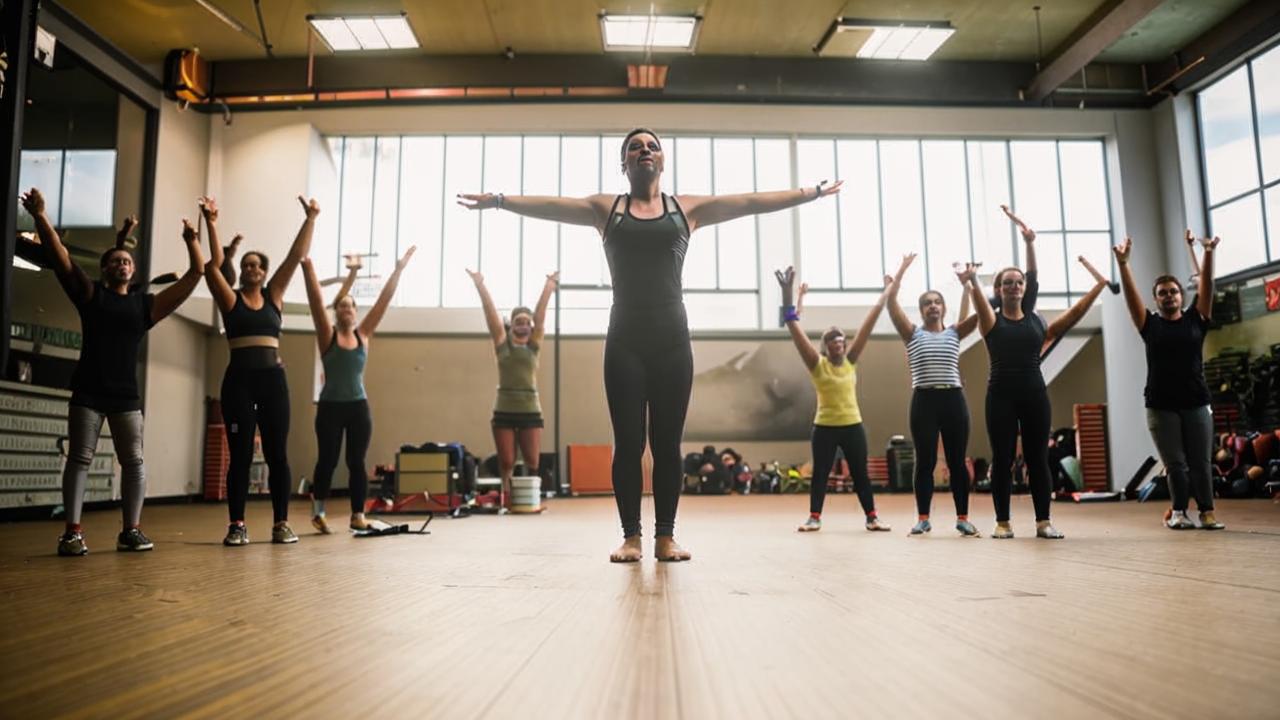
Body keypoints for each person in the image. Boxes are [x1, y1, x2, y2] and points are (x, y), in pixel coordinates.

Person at [459, 128, 842, 562]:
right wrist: (500, 200)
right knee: (628, 443)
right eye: (635, 147)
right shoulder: (608, 208)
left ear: (663, 160)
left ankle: (665, 536)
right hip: (624, 341)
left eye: (653, 146)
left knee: (666, 445)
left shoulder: (687, 209)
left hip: (672, 342)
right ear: (624, 164)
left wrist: (809, 193)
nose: (645, 150)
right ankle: (630, 537)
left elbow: (749, 202)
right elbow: (552, 205)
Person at [20, 188, 204, 556]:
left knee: (133, 462)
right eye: (116, 260)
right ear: (105, 269)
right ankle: (72, 533)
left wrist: (192, 239)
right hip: (87, 391)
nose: (122, 264)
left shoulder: (145, 306)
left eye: (127, 261)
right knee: (79, 459)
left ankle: (131, 531)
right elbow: (62, 259)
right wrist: (41, 216)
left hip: (125, 397)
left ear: (133, 270)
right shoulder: (91, 296)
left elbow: (196, 273)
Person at [962, 209, 1112, 539]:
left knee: (1037, 459)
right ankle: (1002, 523)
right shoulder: (991, 320)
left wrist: (1095, 289)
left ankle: (1043, 521)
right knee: (1002, 459)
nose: (1014, 286)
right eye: (1006, 283)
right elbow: (979, 301)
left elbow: (1071, 315)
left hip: (1034, 394)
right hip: (1000, 395)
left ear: (1024, 287)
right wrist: (973, 281)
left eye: (1018, 282)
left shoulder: (1038, 322)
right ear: (999, 290)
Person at [202, 195, 318, 546]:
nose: (253, 269)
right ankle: (237, 524)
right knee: (239, 456)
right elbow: (211, 268)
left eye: (258, 266)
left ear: (265, 273)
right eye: (248, 265)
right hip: (239, 383)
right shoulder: (230, 299)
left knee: (277, 454)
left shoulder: (275, 295)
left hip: (272, 383)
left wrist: (311, 218)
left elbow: (296, 256)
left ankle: (281, 523)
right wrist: (211, 222)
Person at [1114, 231, 1225, 531]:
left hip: (1196, 402)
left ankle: (1207, 512)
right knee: (1176, 464)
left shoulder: (1196, 319)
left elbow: (1208, 285)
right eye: (1162, 292)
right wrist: (1123, 264)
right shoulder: (1149, 324)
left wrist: (1209, 252)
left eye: (1173, 291)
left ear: (1181, 295)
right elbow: (1130, 297)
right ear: (1156, 299)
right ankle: (1178, 513)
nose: (1169, 296)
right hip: (1161, 405)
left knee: (1201, 462)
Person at [300, 246, 415, 533]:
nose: (346, 310)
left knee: (356, 461)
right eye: (341, 306)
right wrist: (308, 268)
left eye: (350, 306)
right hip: (329, 408)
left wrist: (399, 270)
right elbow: (315, 302)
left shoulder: (363, 334)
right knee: (327, 459)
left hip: (357, 407)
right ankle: (318, 512)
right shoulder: (327, 335)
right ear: (337, 311)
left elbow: (383, 302)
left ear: (355, 311)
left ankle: (357, 514)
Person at [776, 264, 892, 534]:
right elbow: (793, 326)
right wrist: (786, 294)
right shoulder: (817, 364)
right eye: (832, 341)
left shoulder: (851, 362)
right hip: (825, 427)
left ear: (845, 343)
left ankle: (872, 517)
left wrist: (886, 292)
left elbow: (869, 322)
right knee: (820, 473)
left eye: (841, 340)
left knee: (860, 473)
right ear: (826, 346)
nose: (838, 344)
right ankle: (814, 517)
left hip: (853, 425)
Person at [884, 252, 981, 537]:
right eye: (927, 303)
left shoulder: (954, 333)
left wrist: (970, 284)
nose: (933, 306)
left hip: (953, 400)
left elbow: (981, 316)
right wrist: (899, 274)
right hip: (924, 402)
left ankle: (963, 517)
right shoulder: (912, 334)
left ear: (944, 308)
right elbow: (891, 305)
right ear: (921, 310)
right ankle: (923, 518)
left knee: (956, 461)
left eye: (937, 302)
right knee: (924, 462)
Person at [466, 268, 558, 511]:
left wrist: (548, 287)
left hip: (530, 409)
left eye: (527, 323)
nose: (524, 326)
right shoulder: (502, 344)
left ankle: (531, 500)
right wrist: (480, 285)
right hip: (504, 408)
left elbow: (541, 317)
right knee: (506, 460)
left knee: (532, 460)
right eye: (519, 322)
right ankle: (506, 499)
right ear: (512, 325)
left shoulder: (534, 346)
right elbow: (491, 316)